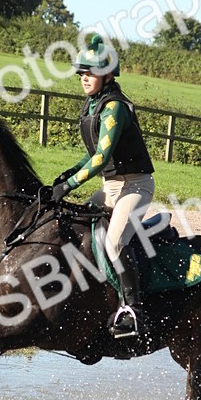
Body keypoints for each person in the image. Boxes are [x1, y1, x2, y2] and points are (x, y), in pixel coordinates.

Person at [51, 34, 155, 338]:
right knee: (80, 225)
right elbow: (92, 151)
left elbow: (101, 158)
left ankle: (133, 311)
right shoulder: (93, 104)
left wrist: (68, 185)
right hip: (111, 187)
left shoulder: (115, 108)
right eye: (82, 73)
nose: (85, 78)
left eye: (91, 73)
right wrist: (67, 173)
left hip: (135, 187)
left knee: (114, 243)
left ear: (108, 74)